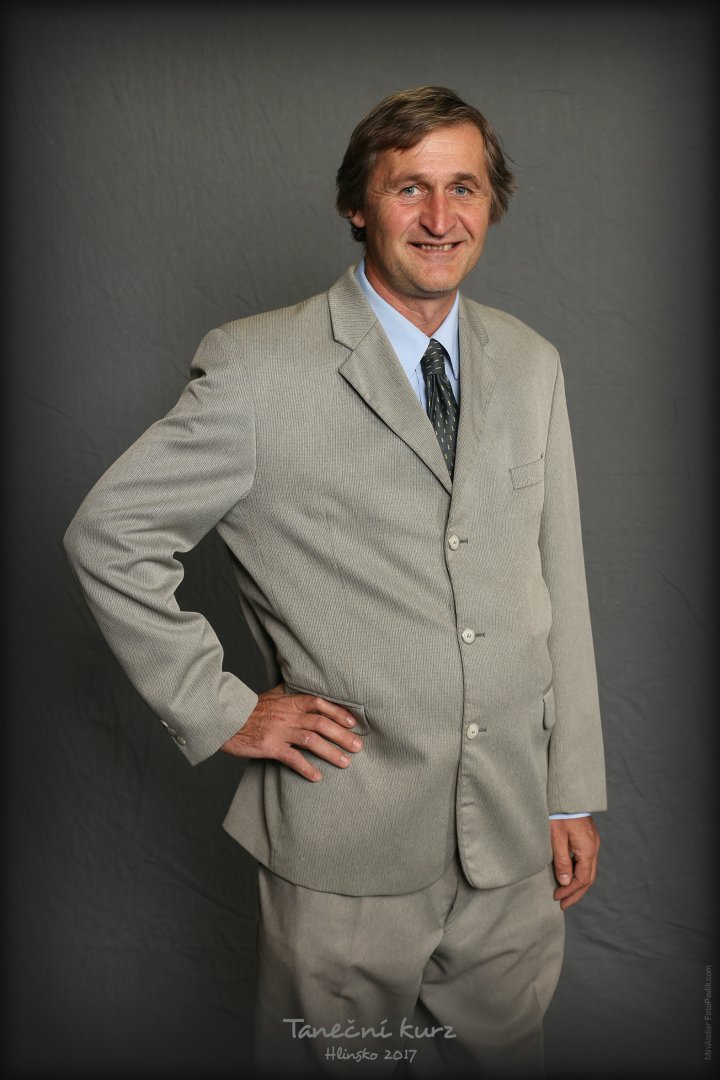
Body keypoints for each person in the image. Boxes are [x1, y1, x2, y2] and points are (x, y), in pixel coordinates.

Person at [64, 86, 607, 1079]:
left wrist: (570, 791)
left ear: (490, 204)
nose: (439, 217)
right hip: (347, 842)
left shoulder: (532, 362)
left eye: (463, 188)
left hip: (513, 838)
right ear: (359, 204)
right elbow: (111, 536)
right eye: (410, 189)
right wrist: (223, 707)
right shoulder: (256, 367)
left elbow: (556, 584)